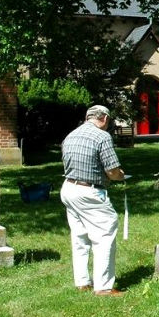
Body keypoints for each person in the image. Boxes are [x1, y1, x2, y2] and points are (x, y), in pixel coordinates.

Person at [60, 105, 126, 296]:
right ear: (104, 118)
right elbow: (113, 172)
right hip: (89, 191)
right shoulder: (102, 137)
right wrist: (121, 176)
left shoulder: (71, 135)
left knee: (79, 236)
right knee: (105, 234)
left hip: (68, 187)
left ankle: (82, 282)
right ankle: (104, 287)